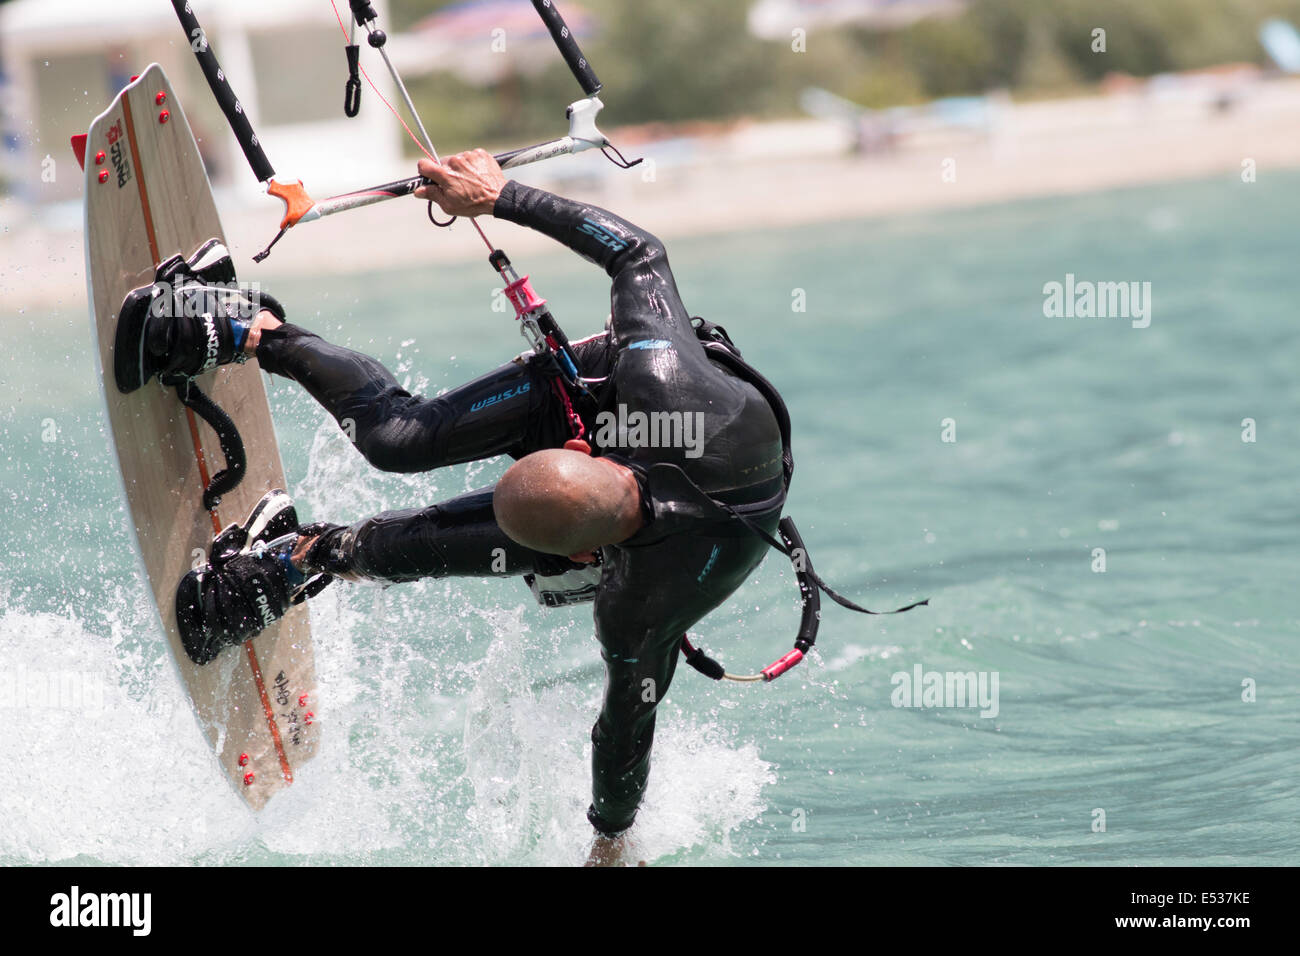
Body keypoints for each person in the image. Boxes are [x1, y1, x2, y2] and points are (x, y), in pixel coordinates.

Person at [114, 149, 790, 864]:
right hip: (606, 394)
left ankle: (296, 556)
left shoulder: (640, 605)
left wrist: (610, 841)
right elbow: (636, 254)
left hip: (701, 485)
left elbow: (626, 728)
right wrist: (501, 196)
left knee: (393, 554)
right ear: (577, 455)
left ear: (581, 559)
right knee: (397, 439)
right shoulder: (654, 371)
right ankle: (255, 327)